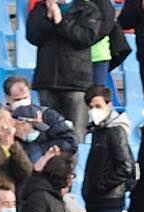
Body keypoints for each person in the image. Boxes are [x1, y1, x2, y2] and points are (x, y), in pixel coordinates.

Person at [25, 0, 109, 139]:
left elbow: (86, 38)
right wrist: (49, 19)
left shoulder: (87, 9)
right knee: (48, 134)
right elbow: (32, 36)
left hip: (76, 83)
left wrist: (60, 21)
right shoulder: (41, 8)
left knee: (75, 135)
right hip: (47, 80)